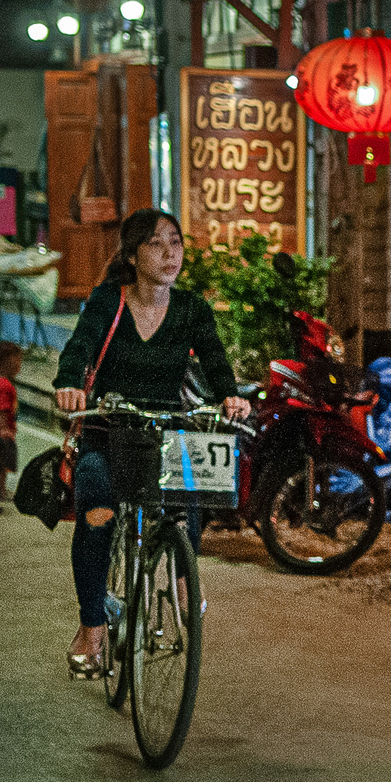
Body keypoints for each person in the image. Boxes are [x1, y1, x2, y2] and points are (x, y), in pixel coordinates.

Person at [53, 210, 250, 678]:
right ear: (132, 255)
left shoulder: (191, 310)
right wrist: (68, 384)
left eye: (176, 244)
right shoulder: (108, 301)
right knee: (98, 508)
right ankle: (92, 628)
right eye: (157, 244)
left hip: (166, 429)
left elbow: (216, 359)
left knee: (188, 497)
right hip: (108, 428)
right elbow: (80, 347)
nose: (170, 254)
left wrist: (230, 395)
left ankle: (184, 583)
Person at [0, 340, 19, 511]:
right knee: (0, 465)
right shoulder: (4, 385)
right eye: (18, 361)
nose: (19, 366)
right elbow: (1, 409)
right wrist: (4, 429)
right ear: (7, 362)